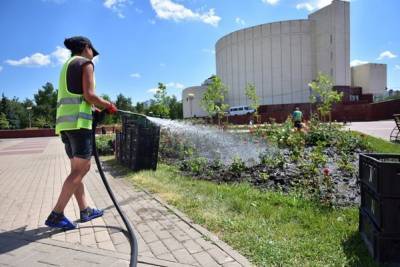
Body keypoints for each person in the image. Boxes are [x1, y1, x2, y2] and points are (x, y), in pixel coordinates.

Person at [45, 36, 118, 230]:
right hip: (79, 125)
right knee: (81, 170)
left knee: (75, 171)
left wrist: (92, 108)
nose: (93, 56)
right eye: (92, 51)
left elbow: (76, 95)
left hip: (66, 126)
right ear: (86, 48)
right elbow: (89, 95)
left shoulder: (67, 65)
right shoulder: (86, 64)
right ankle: (56, 214)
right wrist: (108, 105)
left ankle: (85, 210)